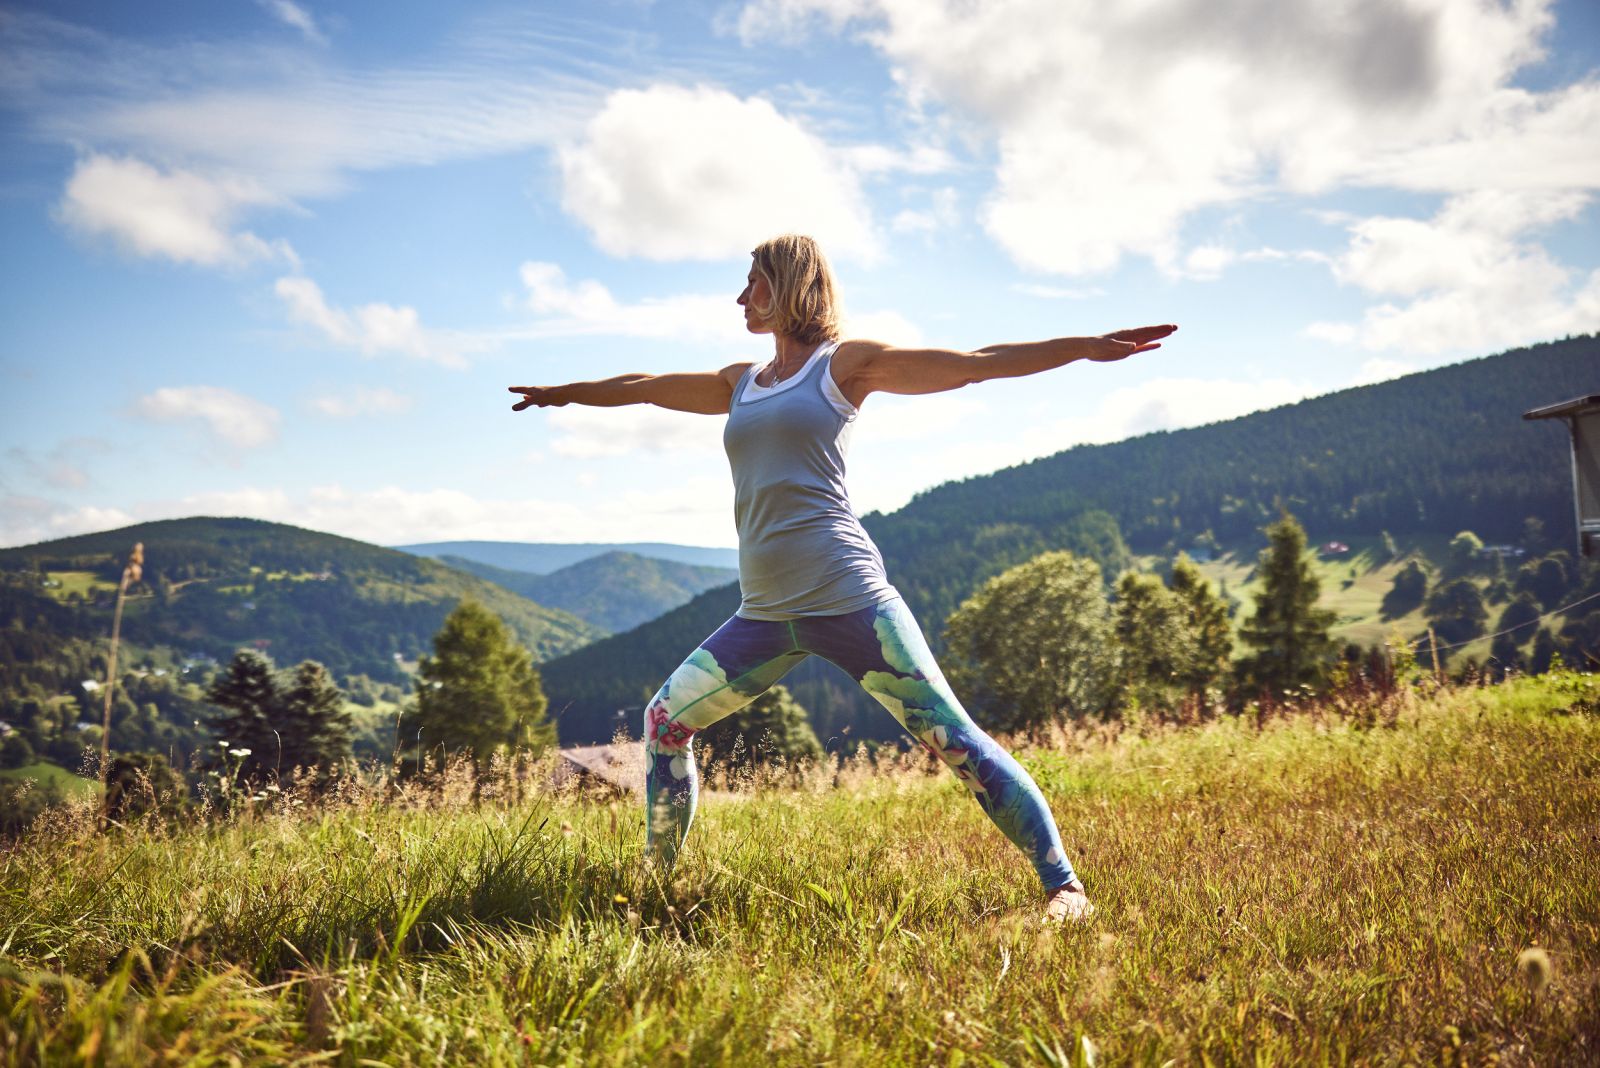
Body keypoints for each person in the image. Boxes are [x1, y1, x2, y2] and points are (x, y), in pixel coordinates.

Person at [510, 234, 1174, 923]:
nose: (742, 297)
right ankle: (655, 886)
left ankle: (1065, 888)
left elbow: (975, 365)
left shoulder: (842, 367)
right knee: (664, 722)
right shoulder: (740, 382)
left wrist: (1086, 346)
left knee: (954, 739)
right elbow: (643, 389)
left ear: (792, 285)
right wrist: (563, 395)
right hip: (764, 614)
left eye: (754, 283)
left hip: (849, 599)